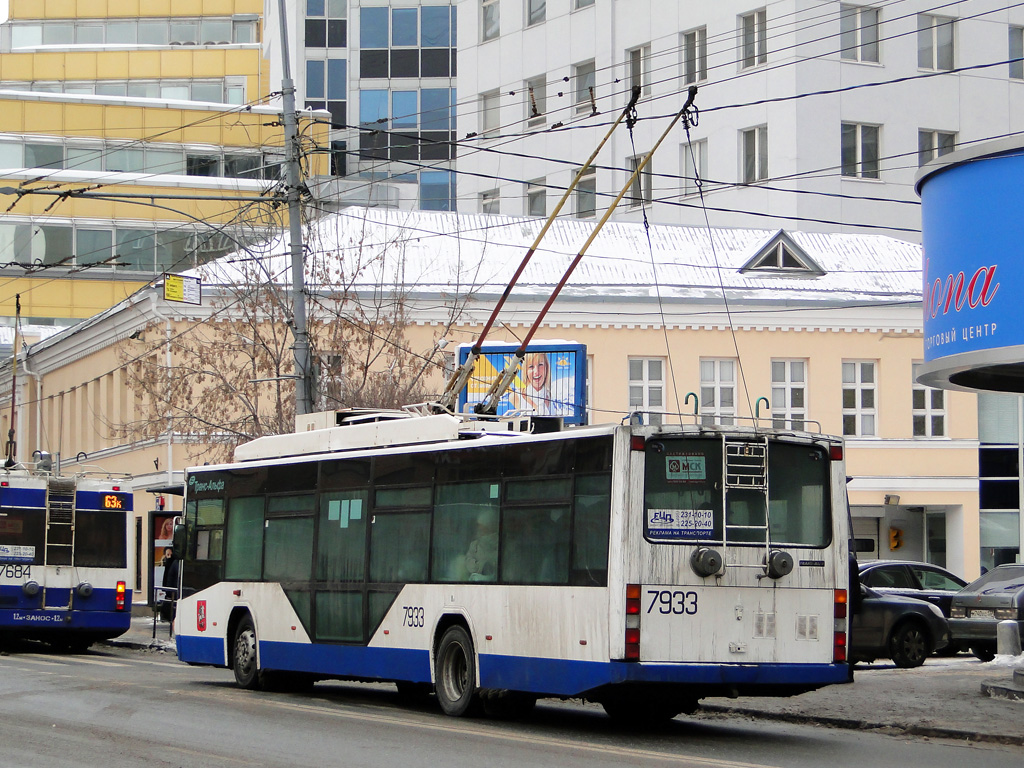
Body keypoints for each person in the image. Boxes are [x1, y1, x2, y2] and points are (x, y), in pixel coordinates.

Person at [463, 509, 498, 581]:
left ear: (489, 527)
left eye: (481, 526)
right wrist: (474, 565)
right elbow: (468, 560)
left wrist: (482, 566)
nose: (478, 528)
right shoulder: (474, 544)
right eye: (478, 525)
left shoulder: (499, 545)